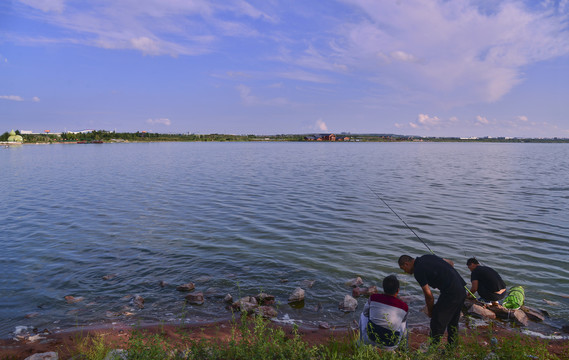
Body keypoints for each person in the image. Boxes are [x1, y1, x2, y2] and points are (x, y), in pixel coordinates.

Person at [398, 254, 466, 347]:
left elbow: (428, 295)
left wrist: (430, 311)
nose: (405, 271)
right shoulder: (427, 257)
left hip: (451, 293)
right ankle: (452, 347)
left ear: (406, 264)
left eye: (403, 268)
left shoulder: (418, 270)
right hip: (461, 288)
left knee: (436, 322)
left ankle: (433, 350)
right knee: (453, 321)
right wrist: (445, 278)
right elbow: (450, 263)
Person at [359, 274, 408, 350]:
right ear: (397, 290)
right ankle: (404, 348)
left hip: (370, 339)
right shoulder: (404, 307)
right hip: (391, 345)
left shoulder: (373, 297)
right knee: (404, 322)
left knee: (363, 315)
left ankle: (361, 343)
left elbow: (365, 313)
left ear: (383, 287)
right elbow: (402, 327)